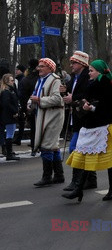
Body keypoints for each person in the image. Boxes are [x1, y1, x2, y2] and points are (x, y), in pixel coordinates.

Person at [62, 59, 112, 202]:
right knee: (86, 155)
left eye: (91, 70)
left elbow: (108, 107)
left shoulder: (107, 84)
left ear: (99, 71)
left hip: (106, 126)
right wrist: (86, 104)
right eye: (89, 70)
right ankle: (80, 189)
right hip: (94, 125)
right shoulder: (95, 83)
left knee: (110, 160)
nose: (89, 73)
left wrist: (91, 107)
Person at [60, 51, 94, 192]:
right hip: (77, 118)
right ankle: (91, 179)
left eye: (74, 62)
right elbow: (71, 91)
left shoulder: (87, 77)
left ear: (81, 64)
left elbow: (87, 95)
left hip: (85, 119)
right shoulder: (74, 77)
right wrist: (64, 90)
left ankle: (77, 181)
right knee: (83, 150)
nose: (71, 65)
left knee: (75, 149)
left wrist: (72, 99)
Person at [31, 58, 65, 187]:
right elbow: (35, 95)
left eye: (42, 66)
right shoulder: (40, 80)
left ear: (50, 68)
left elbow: (57, 99)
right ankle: (59, 175)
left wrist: (39, 100)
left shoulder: (55, 80)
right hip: (44, 115)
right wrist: (31, 103)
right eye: (39, 66)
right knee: (53, 146)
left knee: (47, 145)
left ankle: (47, 177)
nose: (39, 68)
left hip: (53, 116)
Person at [19, 59, 39, 154]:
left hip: (30, 107)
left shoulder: (25, 79)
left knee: (33, 128)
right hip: (40, 105)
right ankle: (39, 145)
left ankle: (33, 147)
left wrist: (24, 109)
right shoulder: (39, 78)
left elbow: (22, 96)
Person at [0, 74, 20, 161]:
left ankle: (9, 152)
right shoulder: (6, 92)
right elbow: (6, 104)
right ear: (7, 82)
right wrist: (15, 111)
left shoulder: (7, 91)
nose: (13, 82)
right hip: (9, 116)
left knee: (10, 134)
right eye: (11, 80)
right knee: (10, 134)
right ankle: (9, 154)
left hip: (8, 115)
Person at [12, 65, 26, 145]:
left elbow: (21, 93)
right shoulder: (19, 80)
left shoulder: (22, 80)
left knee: (21, 122)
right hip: (20, 102)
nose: (16, 71)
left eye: (17, 70)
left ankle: (18, 139)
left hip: (21, 103)